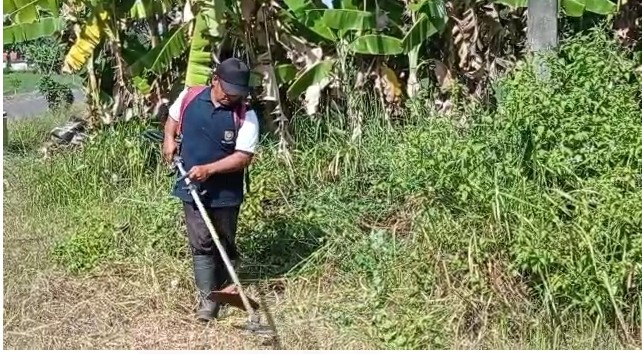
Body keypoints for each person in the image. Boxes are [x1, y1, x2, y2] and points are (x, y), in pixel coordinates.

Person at [162, 57, 259, 322]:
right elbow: (172, 120)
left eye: (239, 93)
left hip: (226, 191)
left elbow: (243, 156)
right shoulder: (190, 96)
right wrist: (169, 140)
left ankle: (228, 284)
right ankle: (208, 300)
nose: (233, 98)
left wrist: (210, 169)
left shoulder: (245, 114)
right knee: (202, 242)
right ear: (215, 80)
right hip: (191, 186)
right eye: (229, 92)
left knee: (224, 241)